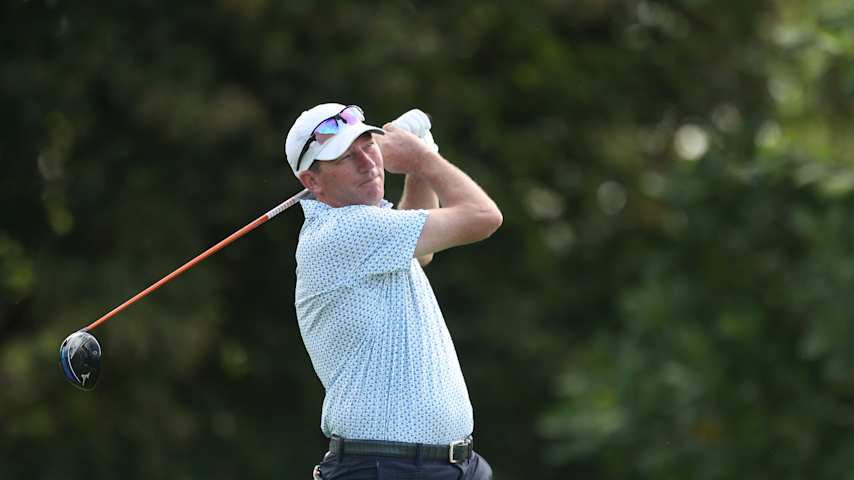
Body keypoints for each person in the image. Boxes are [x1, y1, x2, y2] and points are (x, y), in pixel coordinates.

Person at [284, 103, 502, 480]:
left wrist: (421, 163)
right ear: (312, 182)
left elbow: (423, 253)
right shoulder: (344, 231)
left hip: (447, 465)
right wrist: (421, 159)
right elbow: (483, 217)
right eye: (346, 158)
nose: (368, 162)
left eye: (369, 146)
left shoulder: (372, 234)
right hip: (387, 468)